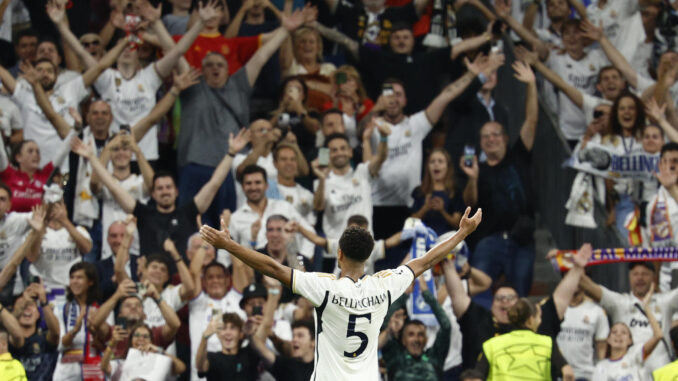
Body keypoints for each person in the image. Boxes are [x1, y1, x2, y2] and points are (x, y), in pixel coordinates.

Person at [200, 204, 482, 378]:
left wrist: (229, 246)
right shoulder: (384, 286)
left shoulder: (324, 288)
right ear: (370, 256)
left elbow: (274, 269)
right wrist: (461, 234)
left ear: (339, 255)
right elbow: (425, 261)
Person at [177, 11, 307, 225]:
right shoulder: (193, 86)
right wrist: (156, 24)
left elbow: (261, 56)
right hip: (195, 165)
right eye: (209, 65)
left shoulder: (238, 85)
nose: (215, 68)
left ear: (229, 71)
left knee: (226, 225)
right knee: (191, 223)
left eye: (220, 65)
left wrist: (286, 30)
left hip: (231, 166)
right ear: (202, 70)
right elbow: (176, 52)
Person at [70, 127, 249, 264]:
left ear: (176, 191)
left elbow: (214, 184)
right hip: (151, 282)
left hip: (182, 283)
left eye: (168, 187)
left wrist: (231, 153)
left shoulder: (187, 212)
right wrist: (92, 157)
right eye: (160, 188)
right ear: (153, 193)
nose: (165, 191)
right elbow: (113, 187)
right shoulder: (143, 213)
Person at [462, 61, 538, 297]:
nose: (491, 139)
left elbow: (532, 121)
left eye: (496, 134)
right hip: (489, 240)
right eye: (485, 136)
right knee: (478, 294)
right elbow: (469, 201)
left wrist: (532, 85)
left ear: (505, 137)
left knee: (520, 297)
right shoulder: (478, 168)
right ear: (481, 142)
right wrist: (472, 179)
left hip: (522, 240)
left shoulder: (518, 156)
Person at [579, 262, 678, 376]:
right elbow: (588, 286)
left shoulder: (665, 301)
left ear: (654, 277)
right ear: (629, 277)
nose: (640, 278)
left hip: (661, 372)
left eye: (645, 274)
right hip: (628, 373)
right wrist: (576, 264)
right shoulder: (620, 303)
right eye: (635, 274)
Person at [312, 125, 389, 240]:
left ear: (350, 152)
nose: (339, 153)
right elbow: (318, 207)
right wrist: (322, 178)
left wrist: (383, 138)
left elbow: (380, 158)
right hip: (335, 250)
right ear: (327, 155)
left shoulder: (362, 172)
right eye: (334, 150)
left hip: (364, 248)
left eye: (343, 148)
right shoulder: (321, 182)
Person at [229, 164, 316, 259]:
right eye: (248, 183)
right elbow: (226, 254)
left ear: (266, 185)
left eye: (258, 182)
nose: (253, 187)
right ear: (242, 187)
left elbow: (309, 232)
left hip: (286, 269)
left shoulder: (284, 207)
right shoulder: (235, 218)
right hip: (254, 269)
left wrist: (304, 257)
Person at [475, 298, 571, 380]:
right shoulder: (547, 343)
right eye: (539, 317)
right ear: (531, 319)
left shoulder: (491, 345)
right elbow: (568, 373)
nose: (540, 321)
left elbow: (476, 378)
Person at [382, 277, 450, 381]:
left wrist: (426, 293)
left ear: (426, 339)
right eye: (411, 334)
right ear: (404, 340)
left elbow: (446, 326)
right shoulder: (395, 358)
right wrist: (405, 294)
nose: (416, 339)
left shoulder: (434, 358)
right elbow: (386, 321)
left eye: (420, 334)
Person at [591, 283, 664, 381]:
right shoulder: (601, 367)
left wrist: (646, 307)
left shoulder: (635, 355)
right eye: (614, 332)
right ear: (608, 339)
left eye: (624, 333)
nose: (618, 335)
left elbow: (658, 335)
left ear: (630, 340)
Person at [27, 199, 93, 301]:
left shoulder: (78, 230)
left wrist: (65, 221)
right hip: (44, 291)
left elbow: (87, 248)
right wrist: (40, 229)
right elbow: (31, 257)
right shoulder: (34, 231)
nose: (53, 209)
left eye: (58, 205)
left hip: (71, 291)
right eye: (50, 205)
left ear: (65, 208)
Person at [250, 280, 315, 381]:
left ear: (313, 342)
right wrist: (250, 333)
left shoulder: (324, 367)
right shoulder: (286, 366)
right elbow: (261, 349)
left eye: (300, 336)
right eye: (293, 336)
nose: (295, 339)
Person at [52, 262, 103, 381]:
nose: (74, 281)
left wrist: (94, 333)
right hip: (67, 370)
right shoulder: (61, 309)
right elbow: (61, 345)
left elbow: (105, 346)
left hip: (93, 367)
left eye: (79, 278)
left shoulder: (100, 310)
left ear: (90, 282)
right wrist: (75, 330)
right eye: (72, 277)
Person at [9, 281, 60, 381]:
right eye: (22, 305)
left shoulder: (45, 339)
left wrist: (43, 301)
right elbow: (9, 327)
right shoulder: (8, 339)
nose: (27, 309)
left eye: (31, 305)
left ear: (38, 314)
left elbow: (56, 332)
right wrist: (25, 300)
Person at [100, 323, 186, 380]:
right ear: (130, 340)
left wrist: (160, 350)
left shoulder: (159, 361)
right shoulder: (121, 363)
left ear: (151, 341)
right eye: (137, 335)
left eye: (145, 336)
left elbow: (181, 368)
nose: (141, 339)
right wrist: (112, 344)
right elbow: (104, 367)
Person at [411, 148, 465, 235]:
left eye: (440, 161)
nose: (436, 164)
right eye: (432, 162)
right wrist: (425, 208)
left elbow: (457, 224)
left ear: (448, 166)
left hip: (447, 238)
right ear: (428, 167)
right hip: (423, 237)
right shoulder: (419, 191)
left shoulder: (455, 192)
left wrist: (442, 211)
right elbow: (411, 222)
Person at [195, 313, 260, 381]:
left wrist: (251, 334)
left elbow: (266, 326)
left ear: (241, 334)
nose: (228, 333)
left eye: (233, 328)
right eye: (224, 328)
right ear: (218, 334)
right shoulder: (212, 358)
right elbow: (200, 367)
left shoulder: (249, 355)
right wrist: (205, 337)